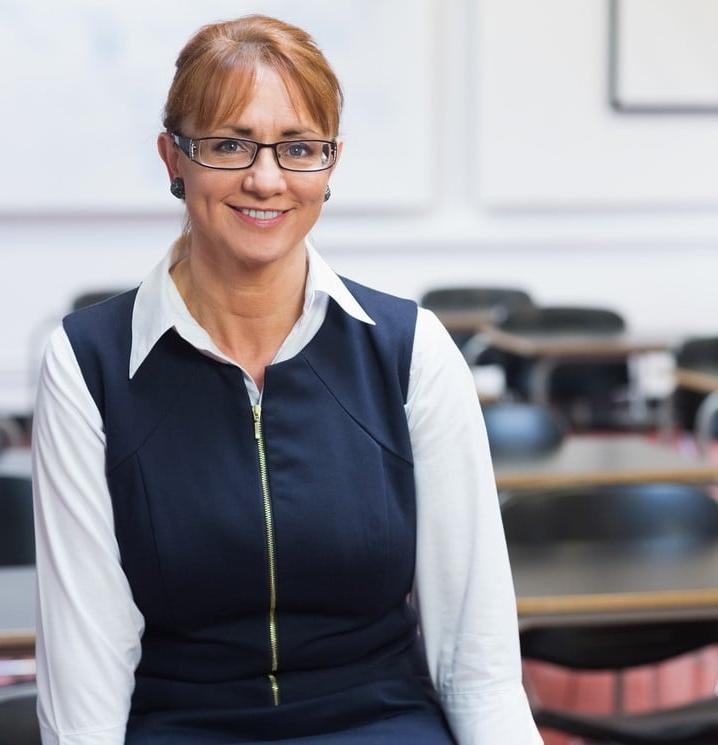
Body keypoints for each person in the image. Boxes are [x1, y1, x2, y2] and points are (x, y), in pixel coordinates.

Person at [31, 14, 542, 745]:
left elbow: (477, 665)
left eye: (298, 148)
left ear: (329, 166)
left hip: (380, 724)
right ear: (173, 159)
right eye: (229, 144)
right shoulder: (89, 364)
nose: (265, 178)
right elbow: (86, 682)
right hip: (181, 726)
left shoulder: (411, 352)